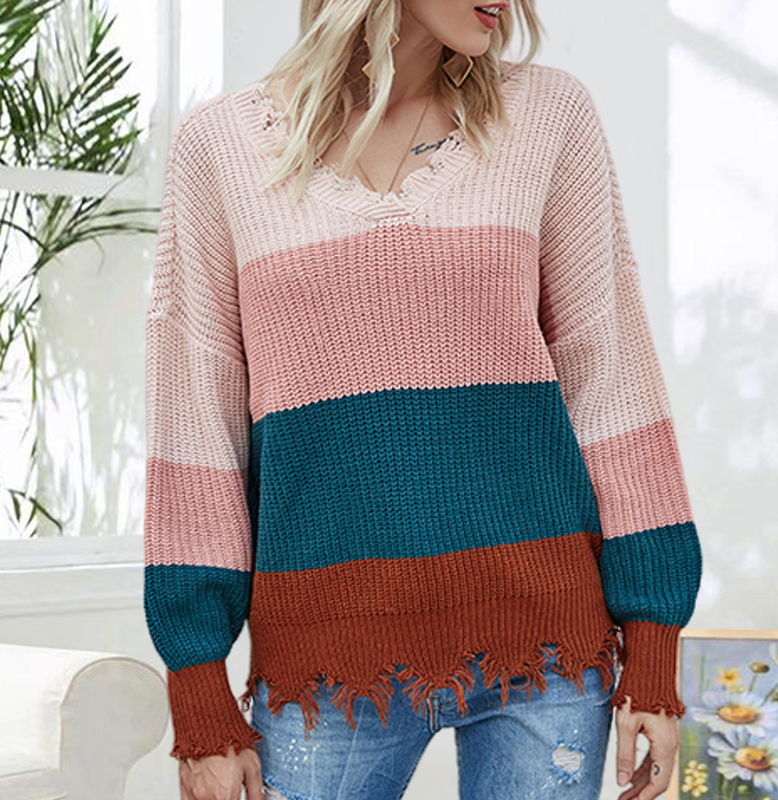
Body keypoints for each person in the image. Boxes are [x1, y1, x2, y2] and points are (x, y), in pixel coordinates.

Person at [142, 1, 703, 799]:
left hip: (546, 646)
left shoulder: (548, 116)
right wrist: (198, 685)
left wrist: (652, 644)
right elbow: (197, 422)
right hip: (325, 661)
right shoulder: (220, 147)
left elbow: (609, 376)